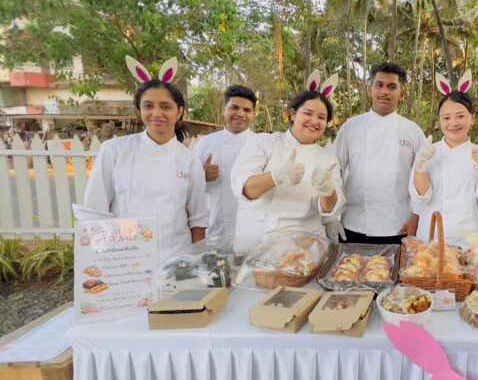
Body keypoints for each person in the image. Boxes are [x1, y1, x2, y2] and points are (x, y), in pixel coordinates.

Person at [74, 56, 209, 264]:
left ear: (179, 111)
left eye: (165, 106)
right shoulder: (115, 151)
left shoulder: (189, 161)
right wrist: (100, 264)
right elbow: (95, 212)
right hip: (126, 259)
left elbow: (198, 218)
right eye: (148, 106)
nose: (156, 113)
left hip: (176, 259)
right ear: (140, 110)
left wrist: (196, 262)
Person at [230, 74, 344, 253]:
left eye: (322, 117)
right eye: (308, 113)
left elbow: (329, 208)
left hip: (304, 245)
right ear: (292, 114)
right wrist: (277, 176)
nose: (315, 121)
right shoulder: (264, 142)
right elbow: (245, 189)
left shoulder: (328, 159)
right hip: (256, 241)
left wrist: (327, 190)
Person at [333, 63, 426, 245]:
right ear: (370, 89)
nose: (384, 92)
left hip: (399, 225)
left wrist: (416, 217)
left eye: (392, 87)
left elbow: (423, 180)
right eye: (379, 85)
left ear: (401, 93)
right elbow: (334, 172)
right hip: (354, 224)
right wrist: (331, 218)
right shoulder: (350, 128)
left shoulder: (413, 132)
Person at [409, 76, 478, 248]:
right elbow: (422, 196)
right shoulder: (428, 152)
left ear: (472, 118)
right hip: (430, 239)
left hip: (468, 242)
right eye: (446, 118)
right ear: (439, 121)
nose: (453, 123)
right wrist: (419, 166)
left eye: (460, 116)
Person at [193, 85, 257, 242]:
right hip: (216, 227)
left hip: (254, 231)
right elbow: (188, 188)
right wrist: (201, 176)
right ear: (224, 109)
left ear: (253, 114)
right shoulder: (205, 144)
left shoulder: (261, 144)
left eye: (247, 110)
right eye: (234, 108)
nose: (240, 114)